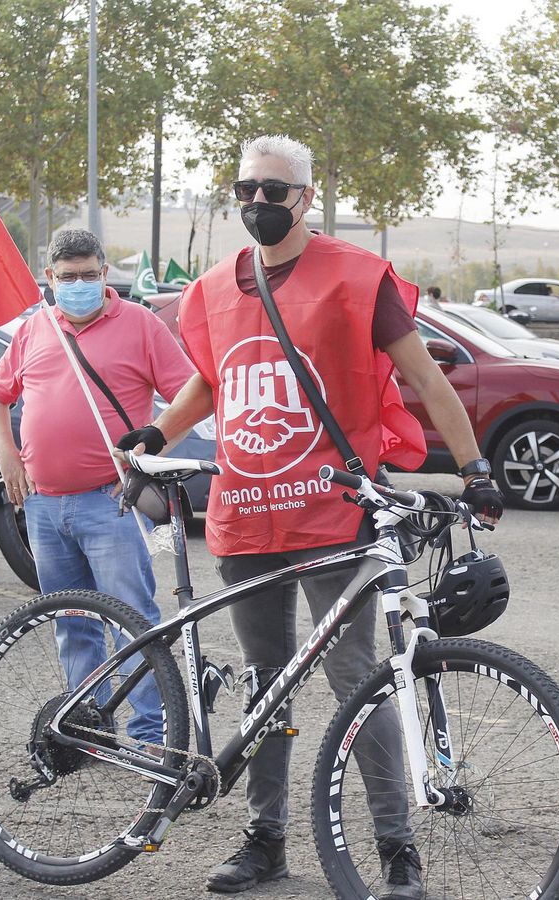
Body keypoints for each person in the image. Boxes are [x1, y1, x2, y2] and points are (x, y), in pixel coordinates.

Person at [122, 135, 504, 898]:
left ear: (305, 196)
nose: (257, 202)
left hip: (333, 516)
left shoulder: (359, 280)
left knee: (360, 681)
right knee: (267, 687)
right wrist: (158, 434)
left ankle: (397, 847)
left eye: (274, 189)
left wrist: (473, 467)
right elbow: (211, 381)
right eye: (246, 189)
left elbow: (425, 377)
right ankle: (266, 840)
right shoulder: (210, 291)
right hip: (245, 513)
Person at [0, 228, 196, 748]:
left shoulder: (140, 325)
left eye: (89, 275)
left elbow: (190, 392)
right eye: (67, 277)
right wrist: (7, 455)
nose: (79, 285)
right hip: (44, 507)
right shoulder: (35, 331)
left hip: (111, 503)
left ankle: (151, 734)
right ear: (49, 279)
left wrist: (153, 447)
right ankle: (87, 728)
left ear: (105, 274)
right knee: (72, 623)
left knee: (133, 621)